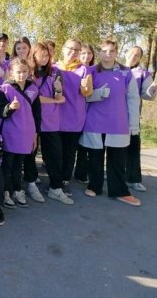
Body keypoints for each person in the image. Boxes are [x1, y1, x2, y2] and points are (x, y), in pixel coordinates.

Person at [80, 39, 141, 206]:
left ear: (116, 53)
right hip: (95, 122)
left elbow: (133, 99)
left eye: (112, 51)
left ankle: (120, 191)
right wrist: (98, 93)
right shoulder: (91, 71)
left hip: (118, 123)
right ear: (99, 53)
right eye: (104, 51)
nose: (108, 54)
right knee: (94, 157)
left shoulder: (126, 73)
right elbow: (83, 96)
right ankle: (94, 186)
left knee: (117, 159)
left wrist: (134, 124)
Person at [30, 42, 73, 204]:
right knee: (30, 153)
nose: (44, 58)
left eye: (47, 55)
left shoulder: (55, 72)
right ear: (34, 56)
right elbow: (31, 97)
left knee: (55, 154)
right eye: (41, 55)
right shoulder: (28, 73)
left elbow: (59, 97)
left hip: (51, 120)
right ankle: (31, 184)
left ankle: (56, 188)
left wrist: (59, 91)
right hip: (32, 119)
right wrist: (53, 100)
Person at [0, 58, 41, 209]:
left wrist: (36, 134)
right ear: (11, 72)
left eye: (24, 71)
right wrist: (10, 107)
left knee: (19, 165)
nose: (21, 75)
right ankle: (6, 192)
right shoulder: (4, 89)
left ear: (29, 72)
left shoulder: (34, 89)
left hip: (27, 133)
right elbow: (1, 112)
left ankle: (17, 190)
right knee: (7, 165)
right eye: (18, 72)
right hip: (10, 133)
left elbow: (37, 114)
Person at [54, 39, 93, 195]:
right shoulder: (54, 67)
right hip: (55, 117)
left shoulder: (83, 70)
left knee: (69, 152)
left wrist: (85, 87)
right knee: (56, 152)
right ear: (63, 49)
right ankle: (54, 180)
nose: (73, 52)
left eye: (77, 50)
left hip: (74, 117)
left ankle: (64, 181)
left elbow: (87, 92)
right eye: (70, 49)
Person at [124, 46, 157, 191]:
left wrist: (152, 90)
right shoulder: (115, 68)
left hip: (131, 117)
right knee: (113, 148)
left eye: (137, 55)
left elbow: (147, 95)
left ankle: (133, 179)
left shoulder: (142, 74)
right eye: (132, 53)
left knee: (133, 147)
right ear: (126, 53)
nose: (134, 56)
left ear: (140, 59)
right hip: (112, 115)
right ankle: (116, 173)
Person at [74, 42, 96, 183]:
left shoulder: (95, 70)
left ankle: (82, 172)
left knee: (86, 144)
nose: (86, 56)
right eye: (83, 53)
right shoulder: (75, 69)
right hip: (76, 111)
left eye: (89, 53)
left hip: (93, 111)